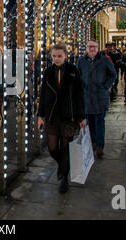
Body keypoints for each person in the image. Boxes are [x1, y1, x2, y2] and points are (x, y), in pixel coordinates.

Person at [37, 42, 86, 194]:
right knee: (52, 148)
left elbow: (79, 95)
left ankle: (64, 179)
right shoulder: (48, 72)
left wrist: (81, 116)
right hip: (52, 115)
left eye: (59, 56)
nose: (56, 59)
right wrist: (40, 115)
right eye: (54, 56)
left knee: (65, 148)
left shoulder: (73, 71)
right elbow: (43, 94)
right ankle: (62, 166)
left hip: (68, 115)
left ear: (66, 55)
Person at [77, 40, 117, 159]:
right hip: (87, 97)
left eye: (94, 47)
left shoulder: (104, 60)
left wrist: (105, 86)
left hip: (100, 97)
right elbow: (77, 76)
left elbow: (113, 74)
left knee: (100, 122)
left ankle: (100, 146)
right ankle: (92, 142)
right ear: (86, 48)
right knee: (89, 122)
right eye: (90, 47)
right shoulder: (81, 61)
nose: (92, 49)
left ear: (98, 48)